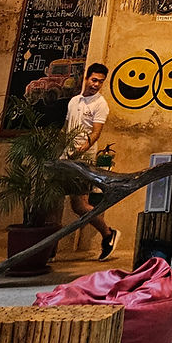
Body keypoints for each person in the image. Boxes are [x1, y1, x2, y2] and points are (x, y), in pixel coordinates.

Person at [65, 63, 120, 259]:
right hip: (66, 158)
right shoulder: (73, 102)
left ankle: (108, 234)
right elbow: (67, 128)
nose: (96, 85)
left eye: (100, 82)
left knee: (80, 205)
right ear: (86, 78)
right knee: (65, 203)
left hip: (83, 161)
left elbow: (95, 133)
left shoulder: (100, 104)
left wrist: (81, 151)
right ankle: (48, 249)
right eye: (94, 80)